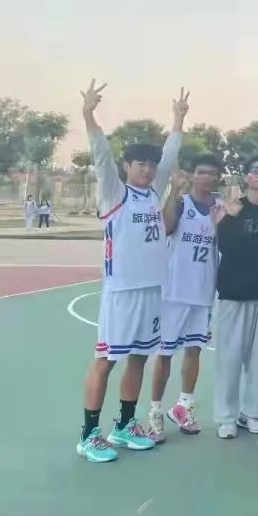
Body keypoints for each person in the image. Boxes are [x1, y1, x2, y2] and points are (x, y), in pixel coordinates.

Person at [77, 80, 186, 463]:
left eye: (151, 165)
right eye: (140, 163)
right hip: (122, 293)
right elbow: (100, 156)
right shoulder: (115, 193)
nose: (148, 169)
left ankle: (124, 425)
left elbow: (170, 156)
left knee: (139, 358)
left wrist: (178, 120)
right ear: (127, 166)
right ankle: (89, 434)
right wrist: (89, 115)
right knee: (106, 360)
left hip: (152, 291)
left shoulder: (154, 192)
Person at [149, 155, 223, 440]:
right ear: (192, 175)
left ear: (217, 177)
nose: (206, 177)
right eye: (201, 172)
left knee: (194, 350)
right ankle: (155, 411)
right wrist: (173, 191)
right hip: (174, 292)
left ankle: (184, 405)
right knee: (165, 353)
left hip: (203, 293)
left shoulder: (220, 208)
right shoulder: (181, 203)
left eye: (212, 173)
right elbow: (166, 227)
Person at [214, 155, 258, 440]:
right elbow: (223, 244)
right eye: (255, 170)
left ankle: (253, 413)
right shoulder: (235, 207)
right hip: (233, 292)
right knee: (229, 359)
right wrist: (228, 217)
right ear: (247, 177)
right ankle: (226, 417)